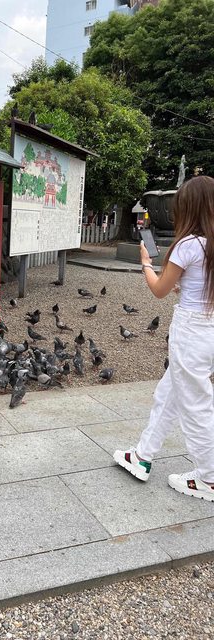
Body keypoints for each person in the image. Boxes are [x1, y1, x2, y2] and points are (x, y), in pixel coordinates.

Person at [114, 176, 214, 502]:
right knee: (168, 393)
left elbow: (159, 290)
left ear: (187, 207)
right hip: (209, 330)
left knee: (197, 405)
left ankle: (209, 477)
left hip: (191, 331)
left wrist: (146, 263)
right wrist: (184, 287)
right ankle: (142, 455)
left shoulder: (188, 245)